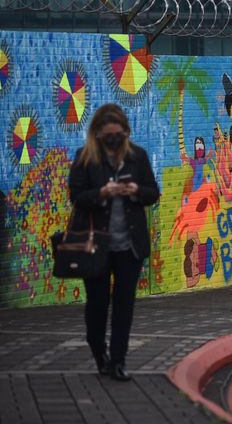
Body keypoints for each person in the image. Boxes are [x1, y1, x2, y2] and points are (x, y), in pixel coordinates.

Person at [69, 104, 160, 382]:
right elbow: (77, 197)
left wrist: (135, 191)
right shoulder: (85, 158)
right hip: (96, 245)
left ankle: (119, 361)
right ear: (97, 134)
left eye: (118, 134)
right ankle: (100, 353)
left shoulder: (137, 157)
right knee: (97, 305)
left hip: (129, 245)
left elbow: (152, 193)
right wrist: (102, 192)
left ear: (126, 133)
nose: (114, 140)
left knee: (124, 306)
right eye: (108, 135)